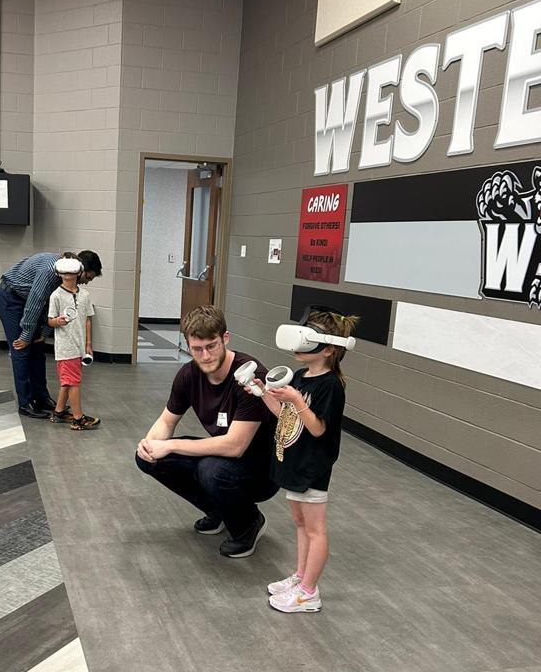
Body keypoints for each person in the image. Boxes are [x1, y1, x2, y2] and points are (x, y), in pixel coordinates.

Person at [135, 305, 278, 558]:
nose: (206, 356)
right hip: (226, 457)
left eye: (212, 346)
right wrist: (150, 445)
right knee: (149, 458)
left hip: (263, 470)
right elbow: (167, 421)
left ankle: (249, 524)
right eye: (197, 349)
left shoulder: (250, 376)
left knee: (211, 470)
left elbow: (235, 446)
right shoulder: (189, 375)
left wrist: (170, 445)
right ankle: (218, 510)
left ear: (225, 338)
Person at [251, 310, 359, 613]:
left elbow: (318, 428)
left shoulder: (331, 385)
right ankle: (301, 577)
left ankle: (309, 592)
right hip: (293, 462)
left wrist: (297, 400)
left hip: (313, 467)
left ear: (328, 349)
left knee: (315, 529)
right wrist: (262, 392)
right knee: (300, 524)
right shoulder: (299, 377)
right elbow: (284, 415)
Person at [0, 249, 102, 418]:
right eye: (87, 277)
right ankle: (25, 403)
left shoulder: (64, 277)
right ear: (79, 269)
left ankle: (41, 398)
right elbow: (35, 303)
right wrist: (26, 335)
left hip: (26, 300)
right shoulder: (51, 271)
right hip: (11, 298)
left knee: (38, 348)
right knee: (21, 349)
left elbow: (48, 308)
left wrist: (44, 333)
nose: (86, 282)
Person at [47, 255, 100, 430]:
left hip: (79, 347)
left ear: (79, 273)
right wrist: (57, 321)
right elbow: (50, 321)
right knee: (74, 382)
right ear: (59, 273)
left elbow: (87, 319)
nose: (67, 275)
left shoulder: (85, 295)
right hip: (65, 347)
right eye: (64, 272)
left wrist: (88, 344)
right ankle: (78, 418)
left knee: (68, 381)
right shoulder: (56, 295)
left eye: (71, 272)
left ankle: (59, 412)